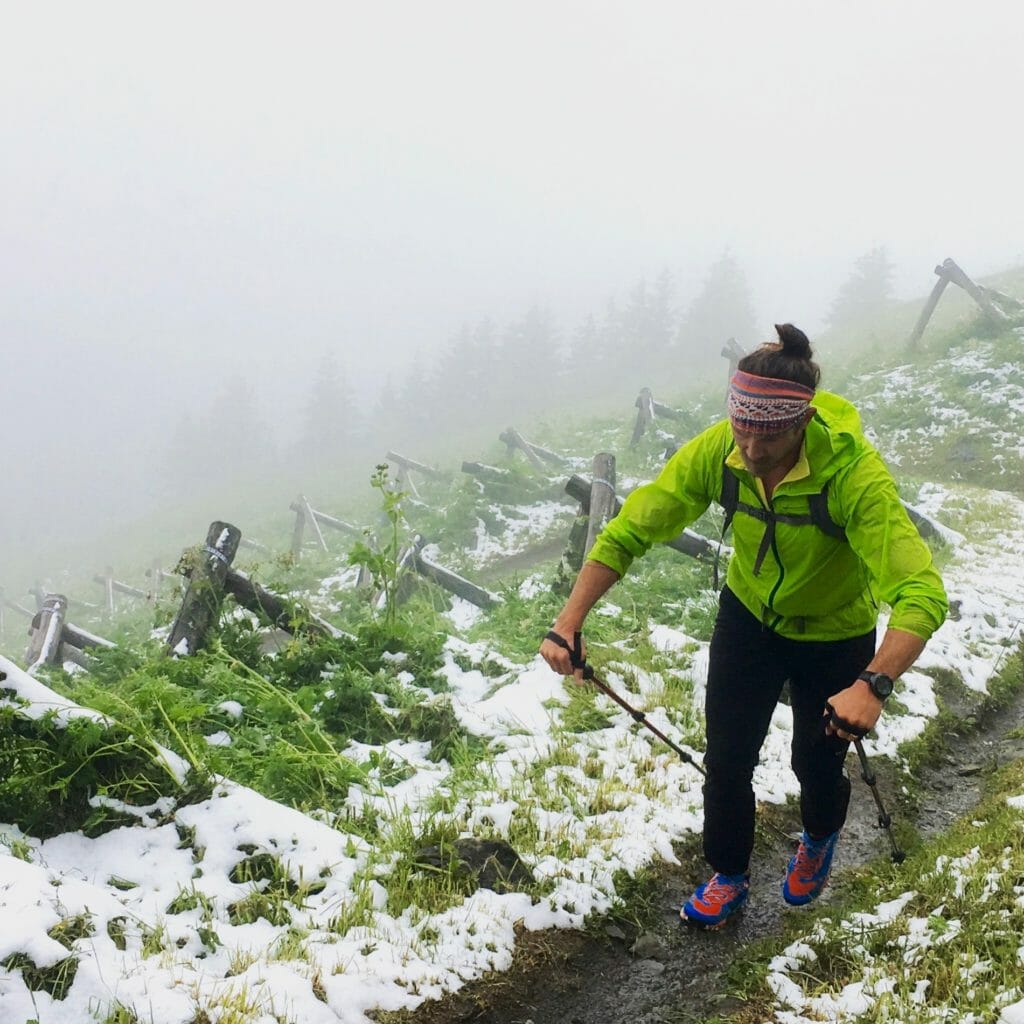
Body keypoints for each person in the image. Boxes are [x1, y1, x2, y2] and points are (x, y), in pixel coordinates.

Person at [540, 323, 947, 929]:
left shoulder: (854, 477)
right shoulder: (720, 450)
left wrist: (874, 684)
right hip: (749, 619)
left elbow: (920, 592)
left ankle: (818, 835)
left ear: (802, 422)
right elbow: (632, 528)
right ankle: (728, 873)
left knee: (815, 762)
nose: (752, 450)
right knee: (728, 757)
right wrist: (568, 621)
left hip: (835, 633)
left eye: (770, 434)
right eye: (742, 429)